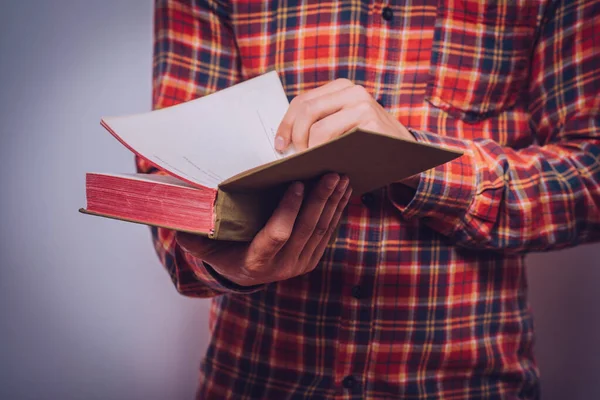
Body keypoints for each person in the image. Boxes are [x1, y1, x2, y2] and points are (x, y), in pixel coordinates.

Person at [138, 0, 600, 398]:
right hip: (258, 377)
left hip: (465, 382)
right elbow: (167, 173)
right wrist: (226, 265)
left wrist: (417, 161)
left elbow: (591, 175)